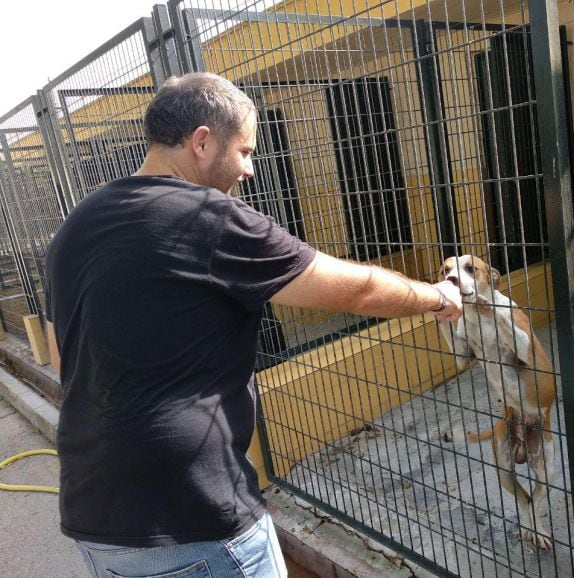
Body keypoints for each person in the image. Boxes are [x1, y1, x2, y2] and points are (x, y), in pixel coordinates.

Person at [44, 72, 462, 578]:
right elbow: (358, 290)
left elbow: (63, 354)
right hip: (193, 517)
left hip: (94, 517)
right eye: (244, 151)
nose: (250, 169)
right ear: (202, 141)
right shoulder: (205, 216)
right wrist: (436, 296)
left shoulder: (76, 224)